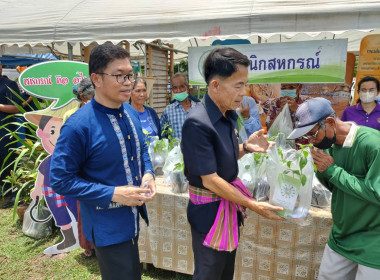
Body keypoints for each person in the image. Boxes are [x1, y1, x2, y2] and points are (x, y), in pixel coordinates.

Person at [50, 44, 156, 280]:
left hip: (133, 220)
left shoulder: (129, 113)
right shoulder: (78, 126)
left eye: (130, 75)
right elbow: (59, 179)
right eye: (119, 76)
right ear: (96, 79)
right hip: (107, 225)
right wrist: (112, 193)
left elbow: (142, 151)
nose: (128, 82)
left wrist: (148, 173)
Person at [181, 47, 284, 280]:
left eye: (245, 84)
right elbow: (210, 179)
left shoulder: (228, 114)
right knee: (209, 272)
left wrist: (246, 148)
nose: (243, 92)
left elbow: (221, 158)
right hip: (210, 213)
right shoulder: (198, 123)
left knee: (226, 272)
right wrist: (253, 204)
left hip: (228, 207)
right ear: (215, 85)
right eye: (238, 85)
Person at [287, 97, 380, 280]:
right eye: (306, 137)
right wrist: (321, 169)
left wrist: (333, 170)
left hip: (373, 241)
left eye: (313, 134)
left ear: (329, 122)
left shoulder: (372, 144)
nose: (311, 141)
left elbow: (376, 193)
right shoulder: (329, 146)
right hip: (341, 236)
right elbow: (335, 186)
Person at [26, 101, 81, 255]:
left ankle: (84, 237)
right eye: (52, 131)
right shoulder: (46, 162)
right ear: (41, 133)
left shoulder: (72, 157)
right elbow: (42, 175)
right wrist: (37, 190)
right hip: (52, 193)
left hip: (70, 190)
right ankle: (69, 238)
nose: (57, 137)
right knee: (61, 216)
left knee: (77, 212)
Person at [72, 77, 96, 257]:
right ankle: (87, 245)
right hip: (83, 170)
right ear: (83, 97)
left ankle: (97, 243)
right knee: (85, 211)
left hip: (96, 169)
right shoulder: (75, 118)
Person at [0, 60, 23, 208]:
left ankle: (12, 192)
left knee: (8, 160)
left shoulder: (9, 85)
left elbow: (18, 107)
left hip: (6, 130)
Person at [160, 73, 199, 139]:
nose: (178, 91)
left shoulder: (198, 108)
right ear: (172, 90)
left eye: (181, 87)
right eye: (175, 88)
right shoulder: (167, 111)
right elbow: (162, 133)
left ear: (188, 87)